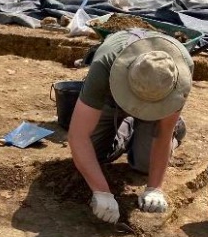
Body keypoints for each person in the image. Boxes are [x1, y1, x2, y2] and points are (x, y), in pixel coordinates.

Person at [67, 29, 193, 224]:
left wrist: (155, 188)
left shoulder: (179, 70)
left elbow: (163, 134)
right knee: (95, 155)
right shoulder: (104, 64)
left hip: (159, 105)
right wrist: (101, 191)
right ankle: (130, 124)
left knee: (144, 165)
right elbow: (78, 136)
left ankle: (173, 124)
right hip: (111, 98)